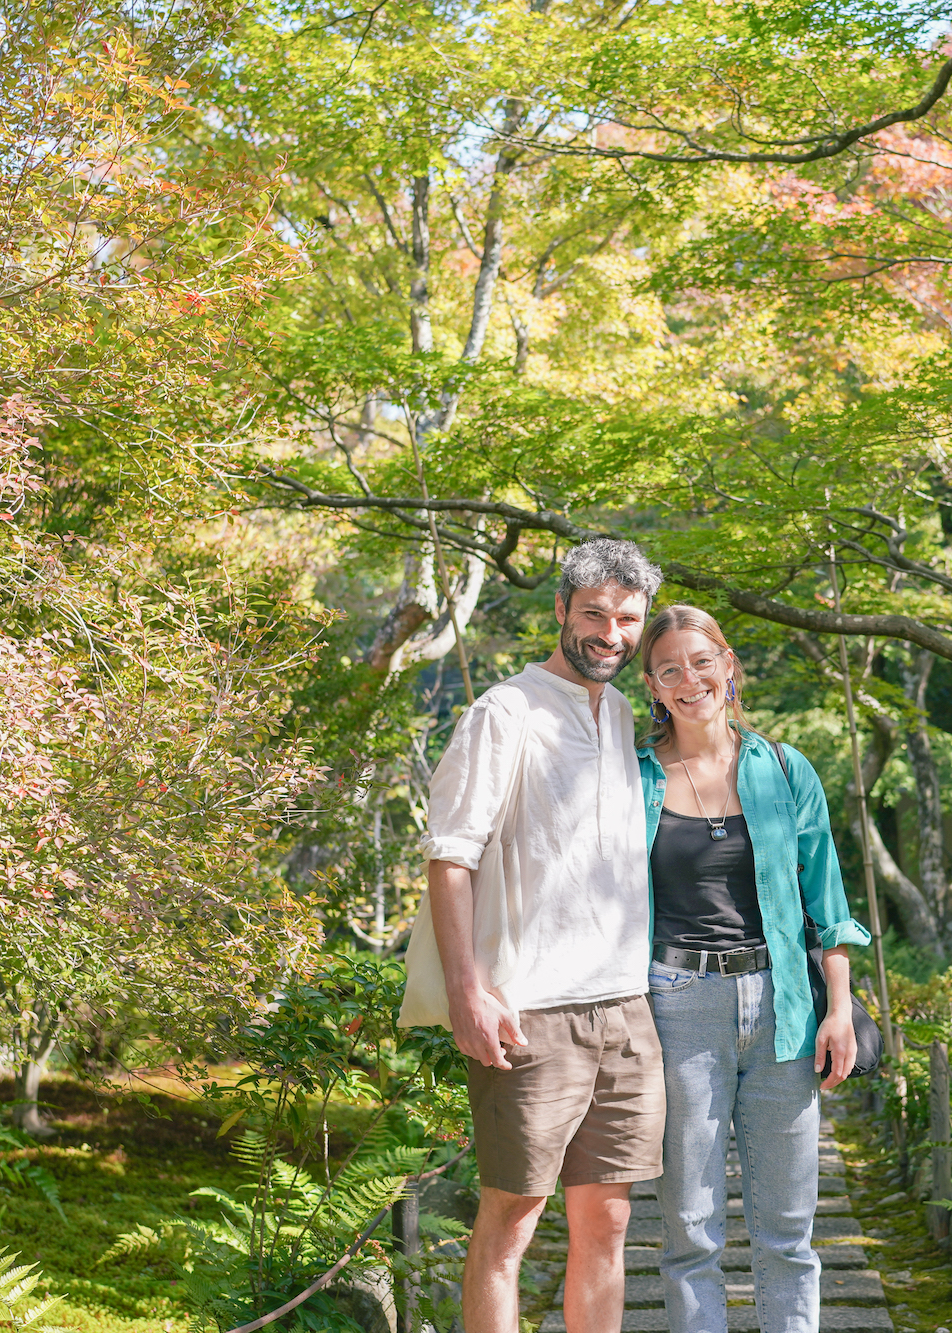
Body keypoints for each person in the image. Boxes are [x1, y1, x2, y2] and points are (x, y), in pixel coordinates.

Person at [407, 538, 666, 1333]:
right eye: (594, 614)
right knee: (512, 1220)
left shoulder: (620, 711)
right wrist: (467, 991)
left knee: (609, 1223)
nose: (611, 634)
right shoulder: (504, 712)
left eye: (627, 619)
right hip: (532, 1009)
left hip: (625, 1007)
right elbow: (449, 855)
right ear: (559, 610)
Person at [635, 603, 872, 1333]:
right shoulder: (631, 776)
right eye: (669, 667)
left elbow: (827, 904)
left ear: (728, 664)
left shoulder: (784, 768)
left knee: (789, 1232)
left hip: (784, 1006)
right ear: (650, 684)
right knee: (690, 1229)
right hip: (676, 1006)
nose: (689, 679)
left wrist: (839, 1008)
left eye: (702, 661)